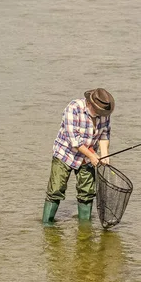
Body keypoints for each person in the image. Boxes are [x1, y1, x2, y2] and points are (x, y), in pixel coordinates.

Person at [42, 88, 115, 224]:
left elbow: (104, 135)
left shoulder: (104, 112)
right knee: (56, 190)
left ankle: (85, 229)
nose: (100, 114)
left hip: (88, 156)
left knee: (87, 193)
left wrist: (104, 155)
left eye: (102, 112)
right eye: (98, 111)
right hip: (65, 154)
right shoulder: (73, 108)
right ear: (89, 103)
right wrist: (92, 156)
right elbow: (74, 141)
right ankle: (47, 225)